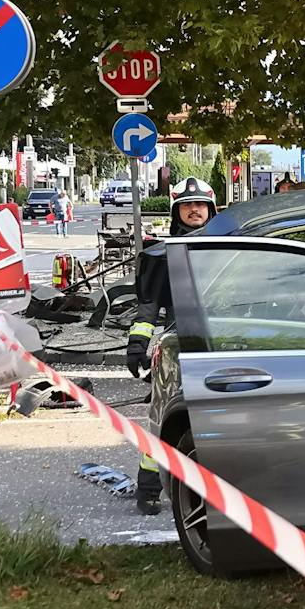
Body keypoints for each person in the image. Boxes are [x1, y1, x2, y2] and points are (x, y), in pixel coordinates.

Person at [126, 176, 218, 514]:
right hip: (178, 344)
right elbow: (148, 308)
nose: (194, 210)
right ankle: (149, 487)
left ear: (211, 209)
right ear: (176, 211)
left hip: (221, 341)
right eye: (187, 205)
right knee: (164, 414)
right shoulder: (164, 255)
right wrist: (137, 344)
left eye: (200, 205)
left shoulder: (228, 248)